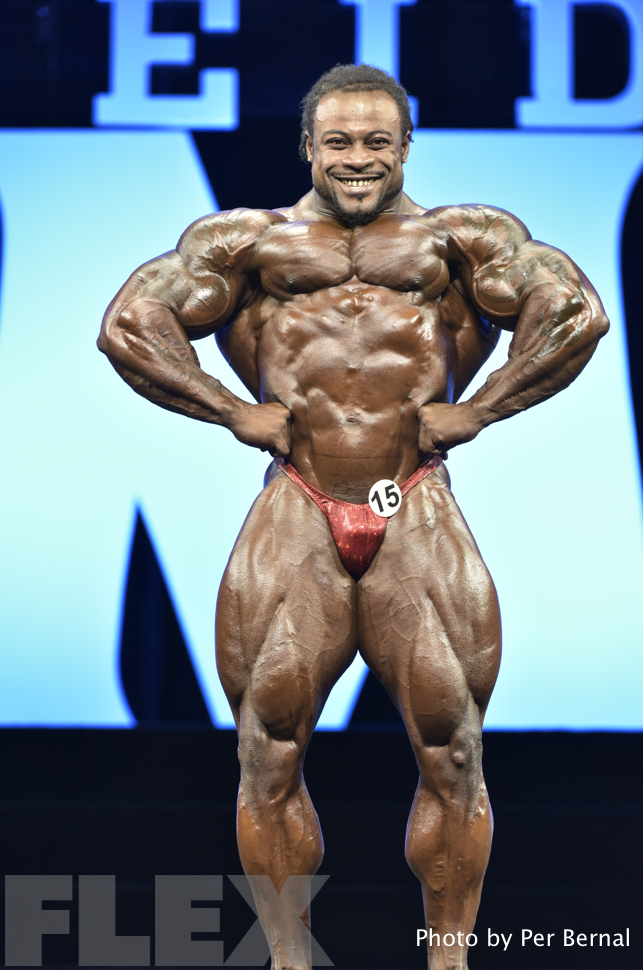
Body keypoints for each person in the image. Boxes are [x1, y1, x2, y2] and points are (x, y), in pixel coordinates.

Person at [98, 64, 608, 970]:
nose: (358, 159)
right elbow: (130, 325)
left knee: (453, 750)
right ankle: (290, 960)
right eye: (339, 141)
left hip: (413, 502)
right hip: (298, 505)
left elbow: (574, 311)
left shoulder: (459, 241)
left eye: (378, 141)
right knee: (267, 751)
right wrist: (229, 408)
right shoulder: (249, 244)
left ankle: (448, 961)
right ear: (307, 146)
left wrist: (483, 408)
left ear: (407, 146)